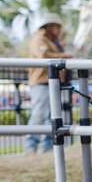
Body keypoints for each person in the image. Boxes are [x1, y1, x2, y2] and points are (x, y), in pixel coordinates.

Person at [25, 13, 74, 154]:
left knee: (52, 116)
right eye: (55, 26)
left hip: (54, 82)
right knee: (38, 114)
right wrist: (64, 56)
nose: (58, 29)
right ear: (48, 27)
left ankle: (48, 146)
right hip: (41, 81)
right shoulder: (39, 39)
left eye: (58, 26)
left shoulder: (56, 40)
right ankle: (30, 146)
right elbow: (43, 56)